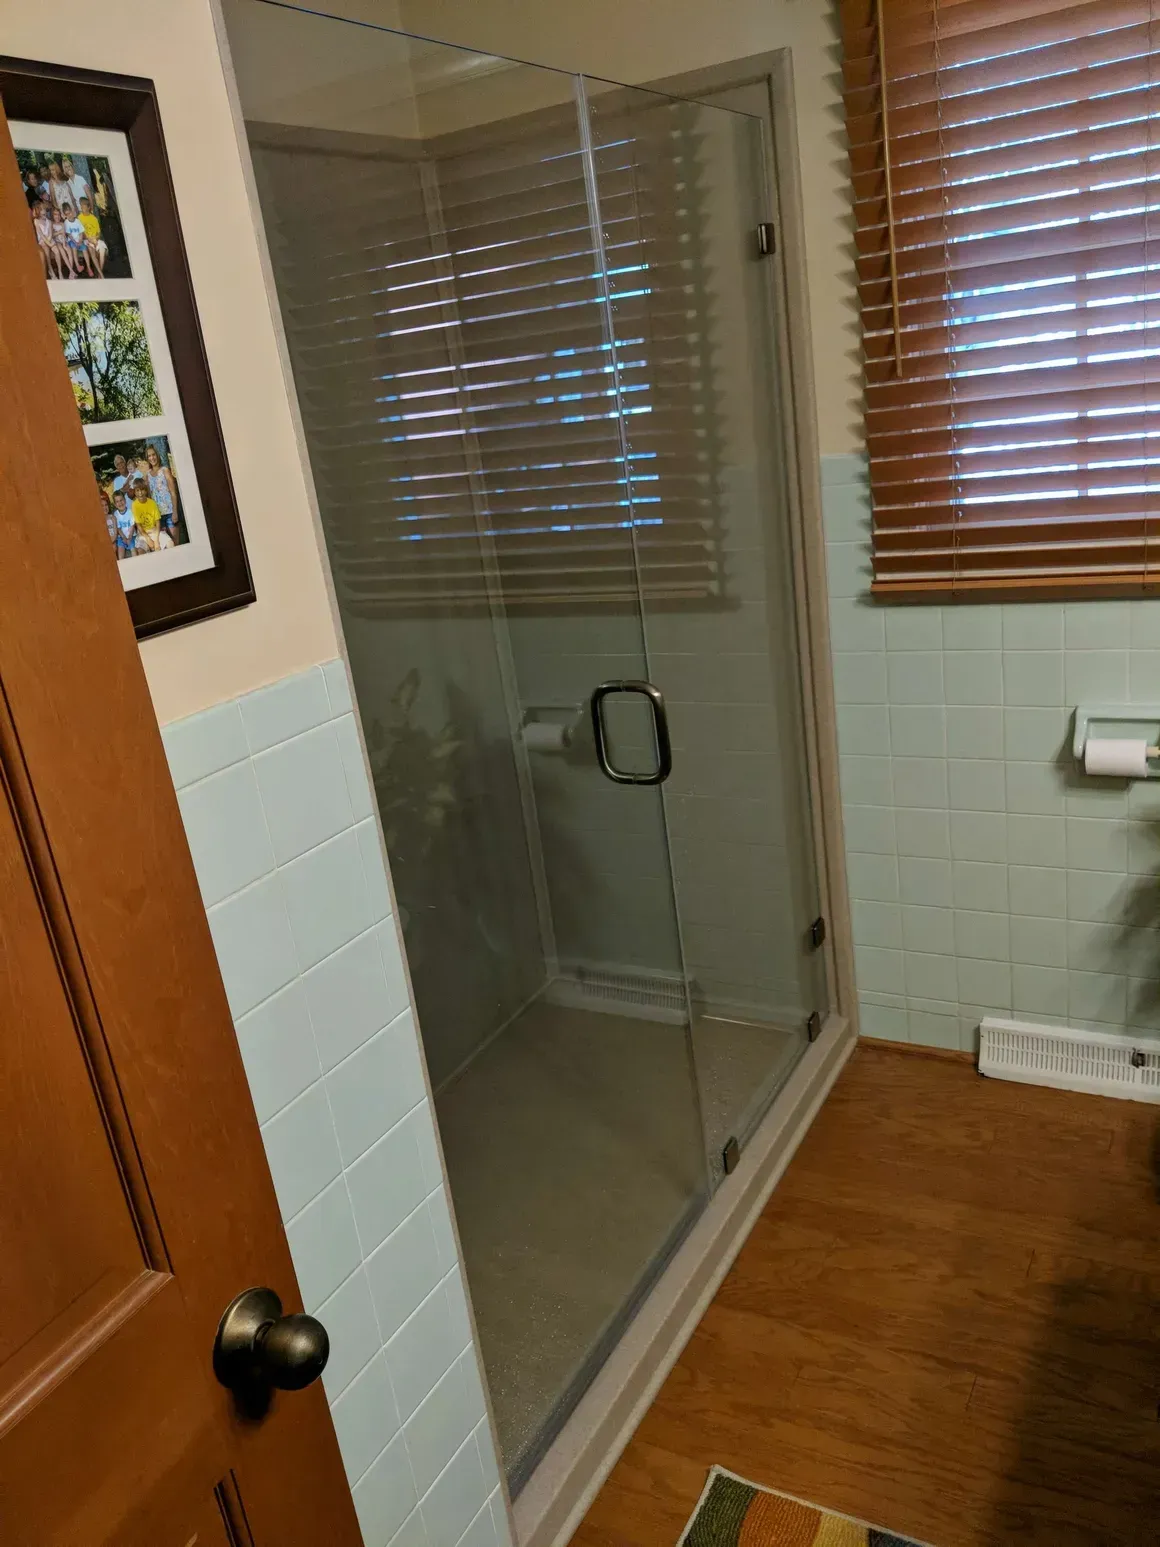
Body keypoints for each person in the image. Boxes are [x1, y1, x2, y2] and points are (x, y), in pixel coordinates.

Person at [145, 444, 179, 545]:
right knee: (165, 545)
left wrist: (175, 512)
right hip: (158, 517)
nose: (152, 458)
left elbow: (173, 492)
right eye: (149, 456)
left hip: (170, 514)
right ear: (147, 459)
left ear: (157, 455)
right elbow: (149, 498)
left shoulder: (165, 470)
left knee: (175, 544)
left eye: (153, 455)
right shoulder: (147, 475)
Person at [129, 478, 163, 552]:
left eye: (142, 490)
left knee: (170, 544)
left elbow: (157, 522)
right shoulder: (134, 505)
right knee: (141, 550)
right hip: (143, 533)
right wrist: (148, 539)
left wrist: (156, 541)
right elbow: (138, 525)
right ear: (134, 492)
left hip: (154, 530)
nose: (140, 493)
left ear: (146, 491)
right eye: (137, 490)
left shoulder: (152, 503)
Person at [76, 197, 107, 279]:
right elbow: (81, 232)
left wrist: (95, 239)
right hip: (86, 240)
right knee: (91, 250)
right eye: (81, 206)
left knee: (102, 250)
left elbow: (98, 232)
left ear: (89, 207)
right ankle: (101, 275)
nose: (82, 207)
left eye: (84, 206)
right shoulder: (79, 218)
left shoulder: (94, 218)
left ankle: (99, 274)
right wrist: (89, 239)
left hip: (95, 238)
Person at [62, 203, 92, 277]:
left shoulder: (77, 221)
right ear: (65, 215)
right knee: (74, 248)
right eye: (67, 214)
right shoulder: (66, 222)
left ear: (72, 211)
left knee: (84, 249)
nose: (69, 215)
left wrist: (80, 240)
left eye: (70, 213)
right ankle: (78, 266)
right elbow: (69, 234)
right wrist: (75, 242)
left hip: (79, 240)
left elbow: (81, 232)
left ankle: (88, 267)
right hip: (72, 240)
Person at [112, 490, 139, 561]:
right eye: (117, 501)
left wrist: (129, 538)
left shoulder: (130, 512)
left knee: (133, 551)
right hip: (121, 537)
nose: (120, 503)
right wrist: (123, 537)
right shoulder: (116, 514)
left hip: (132, 536)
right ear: (115, 504)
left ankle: (137, 564)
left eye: (121, 500)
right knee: (120, 553)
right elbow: (118, 528)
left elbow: (132, 526)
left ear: (125, 500)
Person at [49, 206, 74, 278]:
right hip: (56, 242)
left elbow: (63, 234)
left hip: (63, 241)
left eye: (59, 215)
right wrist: (59, 232)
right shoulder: (52, 223)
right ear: (53, 215)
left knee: (69, 251)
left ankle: (70, 273)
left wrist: (64, 243)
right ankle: (71, 270)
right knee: (62, 252)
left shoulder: (62, 224)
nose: (57, 216)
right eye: (55, 214)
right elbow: (52, 235)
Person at [31, 201, 55, 277]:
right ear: (38, 211)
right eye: (41, 210)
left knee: (50, 247)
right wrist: (49, 243)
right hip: (42, 241)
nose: (44, 211)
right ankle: (50, 269)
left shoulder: (48, 221)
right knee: (45, 246)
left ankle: (50, 270)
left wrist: (49, 241)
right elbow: (41, 236)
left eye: (44, 209)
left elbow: (50, 233)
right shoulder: (36, 221)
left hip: (49, 240)